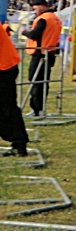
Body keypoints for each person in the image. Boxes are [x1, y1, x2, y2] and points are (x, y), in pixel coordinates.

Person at [22, 0, 61, 117]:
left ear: (42, 7)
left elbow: (34, 34)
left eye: (35, 8)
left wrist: (24, 32)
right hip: (50, 52)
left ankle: (36, 109)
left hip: (40, 54)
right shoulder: (55, 18)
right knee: (44, 82)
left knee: (35, 81)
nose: (34, 11)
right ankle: (41, 108)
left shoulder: (43, 19)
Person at [0, 25, 27, 157]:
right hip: (6, 66)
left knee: (7, 107)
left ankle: (19, 142)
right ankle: (18, 141)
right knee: (7, 107)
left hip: (3, 68)